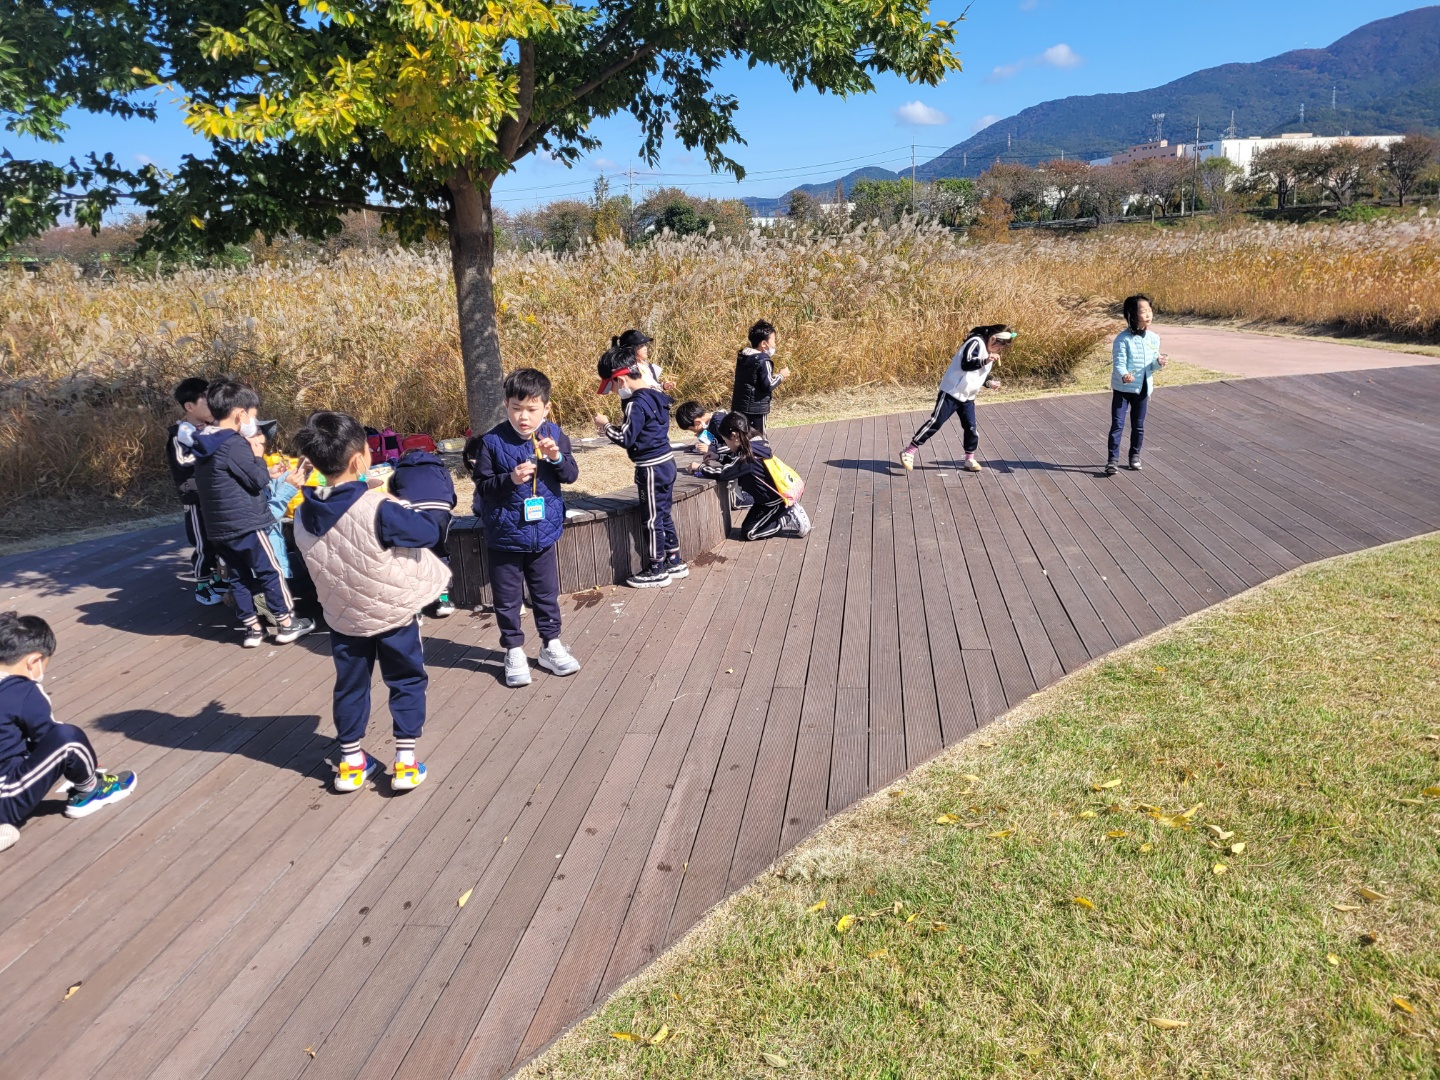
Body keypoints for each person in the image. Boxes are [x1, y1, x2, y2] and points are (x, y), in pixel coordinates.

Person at [292, 411, 451, 793]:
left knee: (350, 686)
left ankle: (350, 763)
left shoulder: (301, 514)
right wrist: (394, 500)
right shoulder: (378, 508)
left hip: (344, 618)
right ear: (358, 461)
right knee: (406, 680)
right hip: (392, 614)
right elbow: (428, 532)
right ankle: (406, 762)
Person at [473, 369, 583, 687]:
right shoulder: (492, 442)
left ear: (546, 408)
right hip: (505, 535)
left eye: (532, 409)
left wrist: (556, 456)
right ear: (506, 405)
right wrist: (510, 479)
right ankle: (514, 651)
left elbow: (570, 475)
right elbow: (483, 487)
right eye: (516, 408)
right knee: (507, 598)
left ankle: (551, 645)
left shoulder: (554, 434)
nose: (524, 417)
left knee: (546, 593)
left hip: (542, 532)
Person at [192, 378, 315, 648]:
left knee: (238, 577)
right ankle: (286, 623)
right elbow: (256, 481)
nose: (252, 422)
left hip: (218, 528)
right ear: (240, 414)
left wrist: (266, 471)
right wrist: (258, 457)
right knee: (270, 571)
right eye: (252, 416)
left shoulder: (204, 442)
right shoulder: (234, 443)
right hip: (247, 524)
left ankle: (252, 630)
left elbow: (229, 478)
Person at [0, 612, 136, 853]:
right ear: (34, 661)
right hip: (6, 796)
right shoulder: (22, 691)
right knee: (68, 739)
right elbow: (48, 737)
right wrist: (82, 765)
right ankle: (91, 788)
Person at [595, 347, 683, 588]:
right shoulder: (656, 393)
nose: (615, 392)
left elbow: (626, 438)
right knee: (663, 513)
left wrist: (605, 426)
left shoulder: (635, 403)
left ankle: (656, 568)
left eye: (613, 387)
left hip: (651, 468)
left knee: (652, 519)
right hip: (666, 462)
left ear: (621, 380)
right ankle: (674, 559)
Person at [899, 325, 1012, 473]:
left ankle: (969, 458)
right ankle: (909, 451)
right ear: (992, 339)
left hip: (968, 396)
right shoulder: (975, 342)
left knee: (971, 428)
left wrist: (989, 382)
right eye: (1000, 347)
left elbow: (978, 374)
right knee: (936, 422)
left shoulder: (989, 353)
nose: (999, 350)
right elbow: (966, 364)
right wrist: (985, 360)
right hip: (951, 392)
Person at [689, 413, 811, 540]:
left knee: (750, 533)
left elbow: (725, 473)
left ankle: (786, 516)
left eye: (726, 440)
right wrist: (718, 457)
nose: (726, 444)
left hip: (774, 502)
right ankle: (783, 512)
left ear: (734, 436)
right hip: (764, 501)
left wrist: (700, 468)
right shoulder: (754, 444)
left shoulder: (749, 457)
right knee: (747, 527)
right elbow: (736, 463)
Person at [166, 377, 228, 605]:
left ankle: (221, 579)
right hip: (195, 497)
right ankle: (202, 582)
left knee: (220, 539)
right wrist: (209, 450)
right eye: (207, 402)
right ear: (190, 406)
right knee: (202, 541)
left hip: (214, 494)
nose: (212, 406)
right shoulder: (179, 433)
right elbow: (183, 461)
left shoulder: (213, 428)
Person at [390, 446, 459, 617]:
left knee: (411, 557)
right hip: (439, 511)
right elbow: (452, 497)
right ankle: (443, 600)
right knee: (439, 553)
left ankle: (416, 609)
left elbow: (394, 500)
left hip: (411, 513)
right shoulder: (440, 469)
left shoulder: (398, 472)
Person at [1105, 294, 1168, 476]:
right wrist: (1124, 375)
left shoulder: (1154, 338)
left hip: (1143, 388)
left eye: (1150, 310)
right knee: (1117, 424)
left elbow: (1151, 367)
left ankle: (1134, 456)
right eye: (1143, 311)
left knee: (1138, 425)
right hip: (1123, 389)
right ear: (1132, 315)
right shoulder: (1122, 339)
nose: (1148, 315)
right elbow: (1119, 363)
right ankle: (1112, 461)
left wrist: (1159, 363)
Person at [730, 320, 790, 436]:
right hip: (756, 409)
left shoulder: (743, 356)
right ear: (764, 344)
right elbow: (768, 385)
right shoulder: (764, 360)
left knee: (743, 437)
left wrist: (772, 376)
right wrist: (781, 375)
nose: (775, 344)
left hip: (739, 406)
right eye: (773, 340)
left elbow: (752, 379)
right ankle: (762, 449)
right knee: (759, 437)